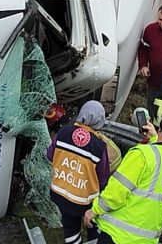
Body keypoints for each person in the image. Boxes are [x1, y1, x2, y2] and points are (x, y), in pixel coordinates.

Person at [84, 111, 162, 244]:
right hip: (148, 238)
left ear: (160, 128)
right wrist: (154, 139)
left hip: (118, 234)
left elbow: (117, 191)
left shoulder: (142, 154)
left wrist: (94, 210)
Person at [47, 100, 123, 244]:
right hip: (86, 200)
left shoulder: (63, 132)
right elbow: (103, 178)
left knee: (70, 229)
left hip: (60, 193)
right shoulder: (100, 146)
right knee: (93, 225)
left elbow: (50, 155)